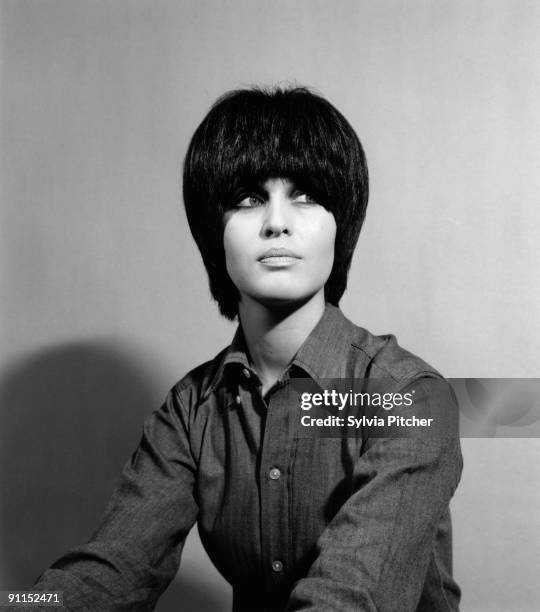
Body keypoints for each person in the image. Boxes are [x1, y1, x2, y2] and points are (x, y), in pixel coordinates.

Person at [32, 86, 463, 611]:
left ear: (340, 226)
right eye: (248, 199)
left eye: (305, 195)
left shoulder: (410, 398)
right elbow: (111, 573)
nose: (276, 222)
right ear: (214, 234)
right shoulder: (190, 412)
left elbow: (351, 598)